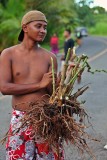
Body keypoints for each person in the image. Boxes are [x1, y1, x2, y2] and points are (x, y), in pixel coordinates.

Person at [0, 10, 64, 160]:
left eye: (45, 27)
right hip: (20, 119)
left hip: (46, 119)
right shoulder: (8, 54)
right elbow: (4, 88)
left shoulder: (50, 57)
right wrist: (39, 84)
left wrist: (57, 85)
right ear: (25, 27)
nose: (43, 31)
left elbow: (52, 93)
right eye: (38, 26)